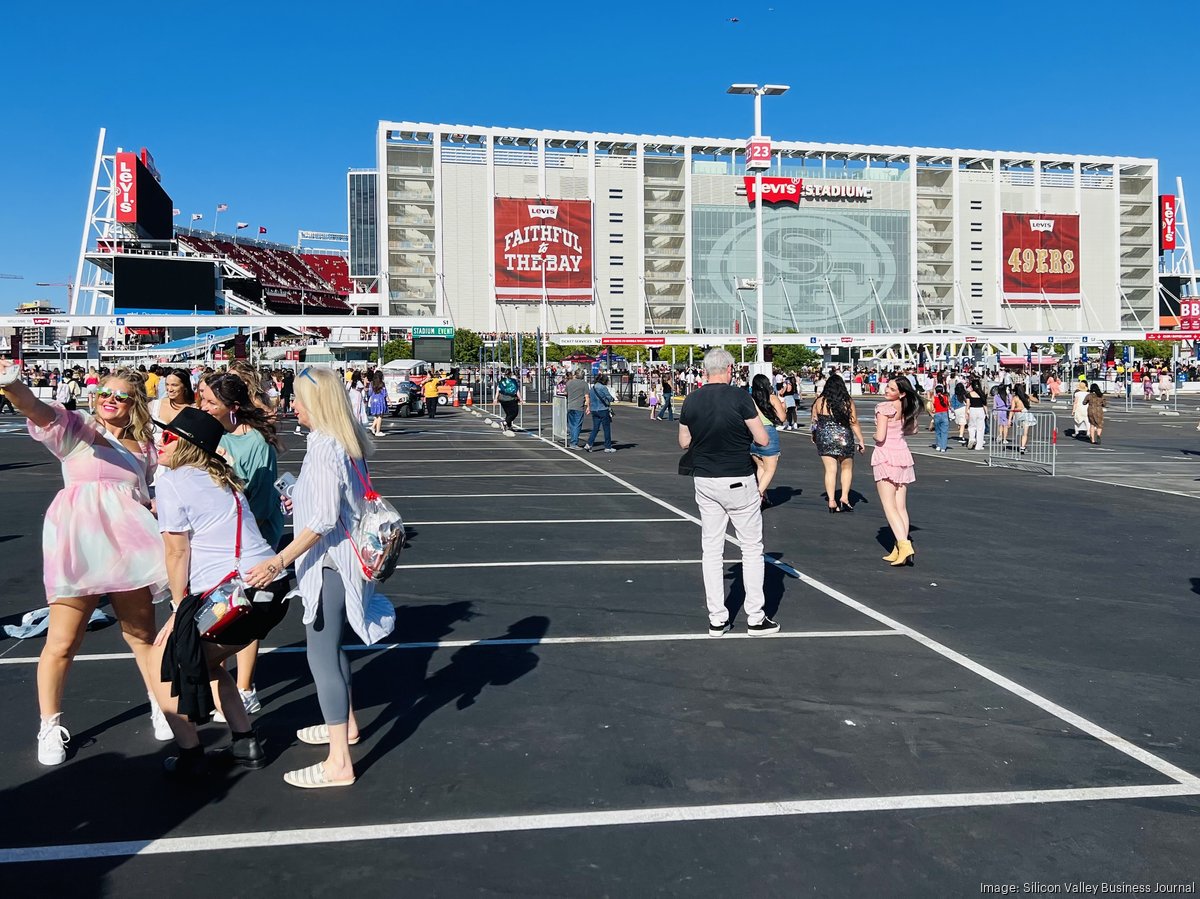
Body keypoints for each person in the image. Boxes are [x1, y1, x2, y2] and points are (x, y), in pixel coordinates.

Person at [0, 361, 170, 765]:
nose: (109, 400)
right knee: (62, 642)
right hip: (78, 547)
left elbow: (153, 493)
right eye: (104, 393)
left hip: (130, 549)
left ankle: (160, 705)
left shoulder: (146, 447)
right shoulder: (76, 429)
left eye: (120, 396)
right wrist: (12, 384)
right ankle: (49, 725)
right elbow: (36, 409)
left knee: (141, 636)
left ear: (134, 404)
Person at [243, 366, 395, 789]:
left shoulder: (327, 447)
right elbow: (334, 506)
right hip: (340, 561)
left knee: (320, 656)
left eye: (297, 398)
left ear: (317, 403)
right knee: (332, 649)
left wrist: (279, 561)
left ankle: (339, 763)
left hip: (329, 563)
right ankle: (343, 727)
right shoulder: (344, 443)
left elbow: (324, 519)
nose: (291, 405)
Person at [150, 407, 293, 778]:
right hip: (270, 588)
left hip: (233, 595)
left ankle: (191, 756)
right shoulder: (223, 478)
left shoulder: (172, 481)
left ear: (186, 445)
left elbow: (177, 551)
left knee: (161, 659)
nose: (158, 442)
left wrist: (178, 607)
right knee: (208, 663)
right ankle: (245, 741)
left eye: (166, 437)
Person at [197, 372, 285, 719]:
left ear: (232, 408)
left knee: (244, 610)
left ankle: (246, 688)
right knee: (219, 610)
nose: (202, 406)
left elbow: (261, 504)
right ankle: (223, 682)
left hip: (253, 535)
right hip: (217, 537)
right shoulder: (208, 431)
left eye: (210, 402)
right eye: (202, 398)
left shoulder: (255, 444)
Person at [678, 349, 777, 636]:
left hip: (705, 479)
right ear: (730, 369)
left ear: (705, 370)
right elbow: (762, 437)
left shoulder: (692, 399)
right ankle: (756, 617)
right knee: (751, 547)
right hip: (738, 477)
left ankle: (717, 618)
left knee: (711, 549)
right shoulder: (739, 398)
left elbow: (684, 441)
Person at [874, 374, 919, 567]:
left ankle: (904, 544)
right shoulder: (907, 407)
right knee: (900, 506)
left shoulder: (884, 408)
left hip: (885, 455)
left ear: (901, 393)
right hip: (902, 453)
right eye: (888, 387)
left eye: (892, 389)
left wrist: (876, 431)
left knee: (889, 506)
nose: (887, 390)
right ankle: (899, 547)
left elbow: (880, 436)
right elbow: (913, 430)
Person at [810, 374, 865, 512]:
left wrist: (815, 435)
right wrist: (861, 440)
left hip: (825, 437)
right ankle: (844, 497)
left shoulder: (819, 401)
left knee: (830, 470)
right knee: (846, 468)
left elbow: (814, 422)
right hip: (844, 437)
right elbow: (853, 422)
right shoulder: (847, 401)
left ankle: (832, 500)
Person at [749, 374, 786, 509]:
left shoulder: (750, 399)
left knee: (761, 467)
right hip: (768, 432)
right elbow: (782, 418)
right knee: (770, 469)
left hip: (752, 433)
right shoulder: (772, 398)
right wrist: (784, 407)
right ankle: (757, 496)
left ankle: (763, 496)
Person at [149, 368, 196, 444]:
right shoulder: (153, 406)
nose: (169, 389)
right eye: (167, 384)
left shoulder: (193, 410)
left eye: (174, 385)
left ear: (184, 386)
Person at [585, 373, 616, 453]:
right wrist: (612, 399)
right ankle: (608, 447)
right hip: (603, 409)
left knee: (595, 428)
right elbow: (609, 398)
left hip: (594, 409)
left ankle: (589, 444)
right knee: (606, 428)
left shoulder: (593, 387)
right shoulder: (603, 388)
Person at [565, 370, 589, 448]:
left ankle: (573, 440)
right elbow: (587, 396)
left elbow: (566, 393)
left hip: (570, 406)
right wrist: (588, 407)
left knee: (572, 425)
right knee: (577, 425)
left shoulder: (569, 383)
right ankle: (574, 442)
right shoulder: (584, 384)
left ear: (575, 375)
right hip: (579, 407)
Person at [1011, 384, 1037, 455]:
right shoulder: (1026, 396)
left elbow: (1012, 410)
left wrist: (1009, 419)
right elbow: (1036, 401)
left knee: (1020, 432)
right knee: (1025, 433)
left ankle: (1021, 446)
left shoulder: (1015, 398)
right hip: (1025, 414)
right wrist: (1034, 395)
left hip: (1018, 415)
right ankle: (1022, 447)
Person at [496, 370, 521, 436]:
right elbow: (516, 390)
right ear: (510, 374)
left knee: (508, 413)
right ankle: (505, 423)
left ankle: (509, 427)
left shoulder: (501, 381)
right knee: (514, 412)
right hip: (511, 398)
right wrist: (520, 399)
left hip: (502, 398)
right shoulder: (513, 381)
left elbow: (498, 390)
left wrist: (496, 398)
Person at [966, 377, 987, 451]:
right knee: (980, 428)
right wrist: (986, 413)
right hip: (980, 410)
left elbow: (968, 404)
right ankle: (979, 445)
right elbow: (985, 405)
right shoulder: (982, 394)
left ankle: (972, 438)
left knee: (971, 426)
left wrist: (966, 412)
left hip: (972, 410)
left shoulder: (969, 394)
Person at [365, 373, 388, 437]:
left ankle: (373, 427)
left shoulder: (372, 383)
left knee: (377, 416)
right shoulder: (382, 384)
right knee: (380, 416)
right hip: (380, 400)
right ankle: (378, 431)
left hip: (373, 400)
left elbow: (369, 393)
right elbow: (384, 393)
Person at [930, 383, 951, 452]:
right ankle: (943, 447)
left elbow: (932, 408)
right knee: (944, 432)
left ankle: (938, 445)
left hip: (937, 414)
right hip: (945, 414)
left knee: (938, 431)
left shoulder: (934, 398)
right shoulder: (945, 397)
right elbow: (949, 406)